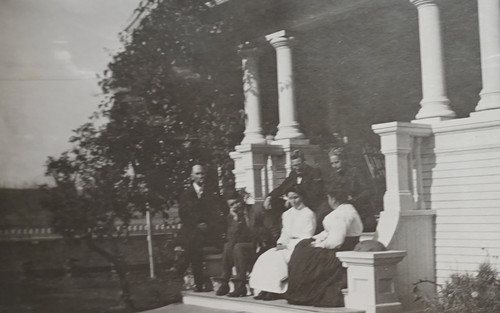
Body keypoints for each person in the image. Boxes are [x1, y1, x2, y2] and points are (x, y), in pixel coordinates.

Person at [285, 187, 363, 307]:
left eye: (329, 198)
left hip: (339, 250)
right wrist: (317, 238)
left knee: (304, 254)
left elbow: (336, 241)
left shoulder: (340, 214)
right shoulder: (347, 209)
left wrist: (319, 244)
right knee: (303, 246)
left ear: (333, 199)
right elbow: (329, 232)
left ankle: (301, 293)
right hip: (343, 245)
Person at [250, 185, 316, 301]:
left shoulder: (308, 214)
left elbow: (307, 236)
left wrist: (288, 245)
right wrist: (280, 243)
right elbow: (285, 232)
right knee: (266, 257)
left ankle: (275, 290)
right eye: (290, 198)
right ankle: (264, 288)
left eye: (296, 197)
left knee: (277, 260)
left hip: (300, 247)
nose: (293, 201)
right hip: (286, 245)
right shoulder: (287, 214)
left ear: (302, 197)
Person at [174, 164, 226, 292]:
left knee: (192, 244)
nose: (201, 176)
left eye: (202, 173)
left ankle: (182, 273)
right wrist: (197, 224)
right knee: (194, 242)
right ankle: (198, 283)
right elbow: (184, 214)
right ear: (191, 176)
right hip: (192, 229)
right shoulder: (186, 194)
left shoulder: (212, 192)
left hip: (209, 231)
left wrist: (207, 224)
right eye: (197, 174)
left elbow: (217, 211)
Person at [263, 149, 327, 233]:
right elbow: (283, 187)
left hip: (310, 205)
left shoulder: (314, 172)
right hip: (294, 203)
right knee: (273, 202)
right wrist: (269, 196)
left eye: (298, 164)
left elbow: (314, 193)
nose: (297, 168)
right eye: (294, 165)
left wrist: (294, 199)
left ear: (304, 162)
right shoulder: (293, 173)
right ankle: (275, 232)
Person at [216, 190, 259, 297]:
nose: (236, 206)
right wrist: (235, 220)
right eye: (232, 204)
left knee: (236, 246)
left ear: (241, 200)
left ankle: (235, 284)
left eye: (237, 202)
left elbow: (255, 232)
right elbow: (231, 238)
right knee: (229, 245)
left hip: (256, 246)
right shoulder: (231, 217)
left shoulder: (253, 210)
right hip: (239, 249)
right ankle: (229, 283)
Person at [327, 147, 376, 231]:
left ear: (344, 160)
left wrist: (354, 199)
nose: (334, 166)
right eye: (332, 163)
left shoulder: (355, 171)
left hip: (360, 210)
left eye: (337, 162)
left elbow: (368, 191)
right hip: (343, 211)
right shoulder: (333, 176)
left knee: (368, 226)